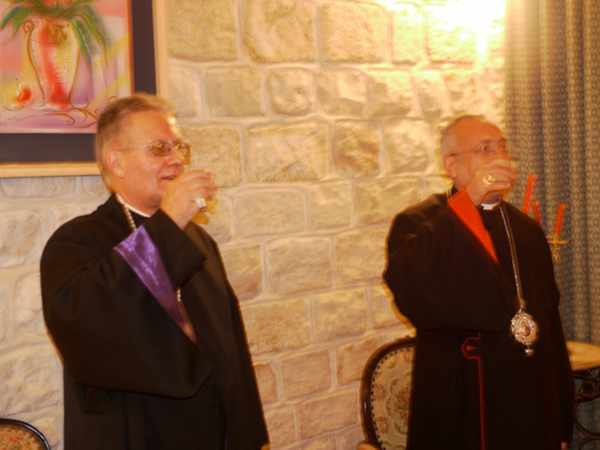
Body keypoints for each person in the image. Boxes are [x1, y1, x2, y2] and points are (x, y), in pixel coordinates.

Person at [40, 93, 269, 450]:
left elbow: (232, 350)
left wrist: (248, 436)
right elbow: (91, 326)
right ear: (115, 161)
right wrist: (169, 222)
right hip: (136, 433)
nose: (176, 160)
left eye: (180, 148)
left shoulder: (199, 240)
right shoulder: (75, 242)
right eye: (160, 149)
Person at [383, 115, 573, 450]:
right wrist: (469, 199)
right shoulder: (419, 223)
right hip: (460, 400)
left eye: (502, 148)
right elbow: (413, 297)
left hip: (529, 402)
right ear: (451, 165)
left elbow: (550, 326)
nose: (499, 157)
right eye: (485, 149)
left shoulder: (526, 230)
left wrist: (561, 422)